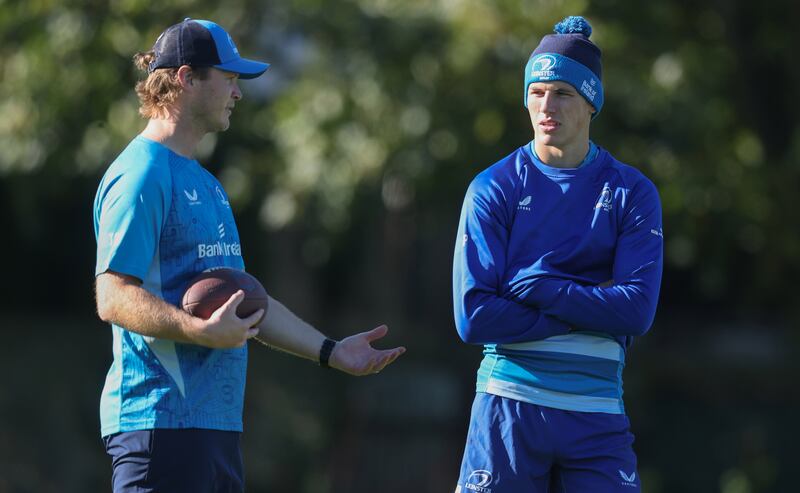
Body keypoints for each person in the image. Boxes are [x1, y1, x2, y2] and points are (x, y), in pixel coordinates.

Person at [93, 18, 405, 493]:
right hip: (158, 423)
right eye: (230, 78)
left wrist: (331, 351)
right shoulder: (142, 175)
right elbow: (112, 295)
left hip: (216, 430)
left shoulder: (208, 185)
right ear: (186, 78)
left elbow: (246, 300)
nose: (238, 93)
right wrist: (197, 330)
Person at [452, 16, 663, 493]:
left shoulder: (632, 192)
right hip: (507, 409)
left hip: (597, 415)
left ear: (591, 103)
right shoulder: (493, 187)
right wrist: (589, 307)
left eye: (564, 93)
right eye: (537, 91)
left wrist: (544, 290)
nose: (547, 106)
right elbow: (473, 316)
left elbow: (636, 310)